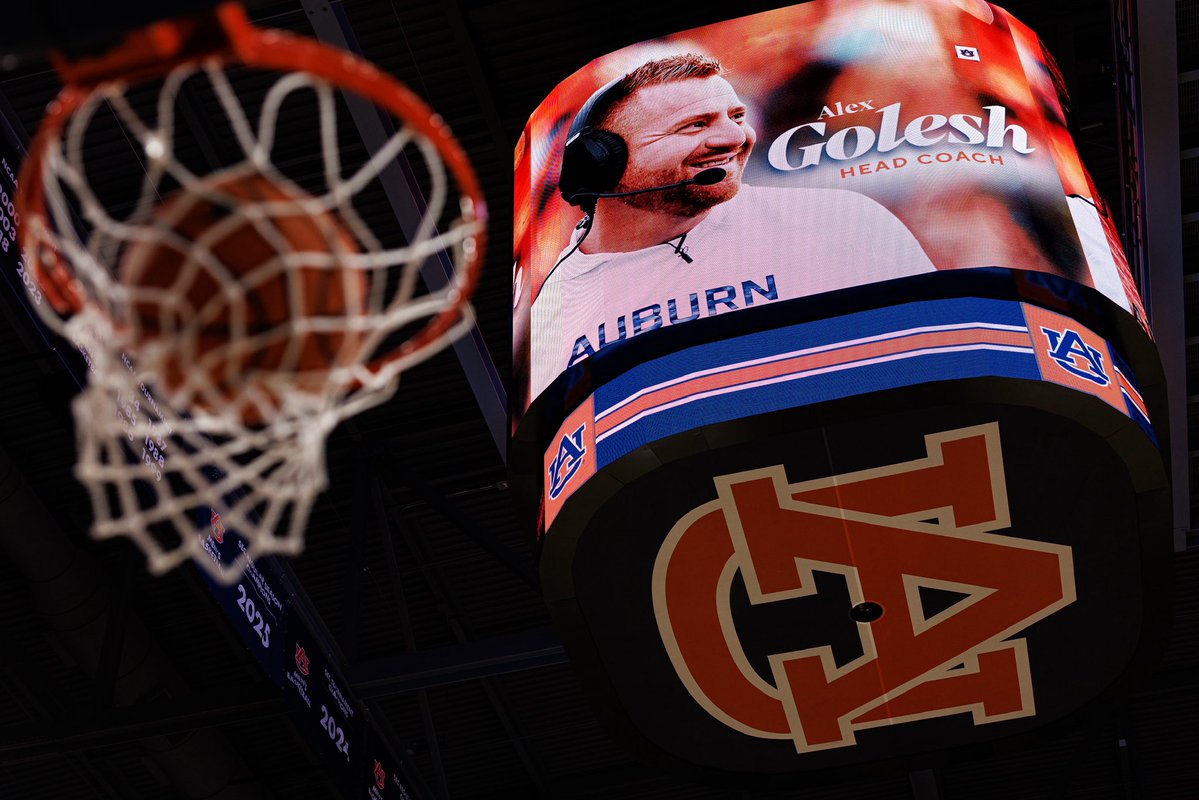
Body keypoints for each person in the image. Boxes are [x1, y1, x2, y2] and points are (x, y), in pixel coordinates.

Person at [530, 54, 935, 398]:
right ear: (603, 162)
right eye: (695, 125)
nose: (735, 137)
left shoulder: (839, 221)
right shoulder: (554, 309)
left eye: (737, 116)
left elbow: (938, 356)